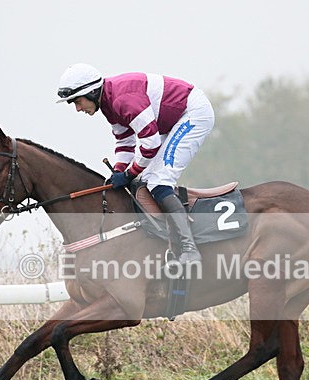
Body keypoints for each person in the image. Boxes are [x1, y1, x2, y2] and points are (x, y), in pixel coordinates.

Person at [56, 63, 215, 265]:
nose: (78, 109)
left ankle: (189, 248)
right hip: (173, 120)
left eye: (78, 101)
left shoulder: (122, 100)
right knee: (148, 180)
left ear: (92, 92)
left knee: (159, 181)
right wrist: (118, 171)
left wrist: (129, 174)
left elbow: (151, 144)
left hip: (192, 113)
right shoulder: (108, 104)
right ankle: (172, 242)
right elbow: (125, 142)